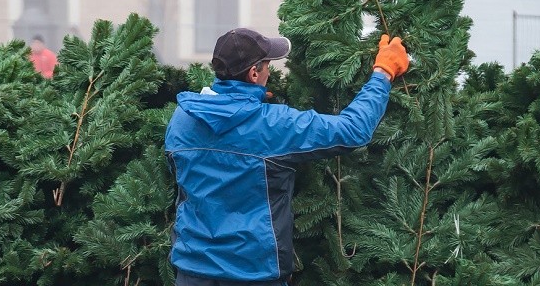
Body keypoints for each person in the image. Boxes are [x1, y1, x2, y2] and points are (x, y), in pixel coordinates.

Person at [164, 27, 409, 286]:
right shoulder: (274, 124)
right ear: (254, 73)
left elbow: (182, 174)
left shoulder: (182, 119)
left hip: (192, 271)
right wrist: (383, 72)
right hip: (253, 273)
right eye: (268, 65)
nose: (270, 71)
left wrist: (247, 105)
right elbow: (352, 130)